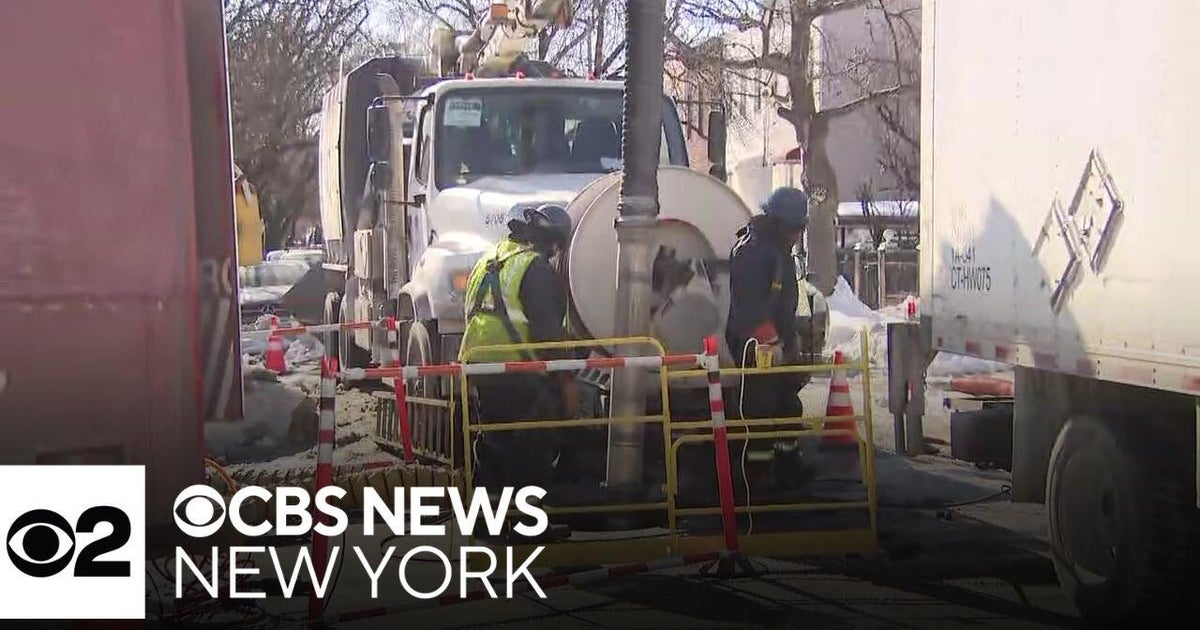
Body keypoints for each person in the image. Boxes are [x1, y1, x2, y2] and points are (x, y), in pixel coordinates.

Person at [459, 204, 578, 489]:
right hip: (518, 368)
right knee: (532, 444)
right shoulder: (534, 267)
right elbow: (548, 333)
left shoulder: (490, 258)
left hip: (478, 363)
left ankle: (489, 520)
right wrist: (566, 381)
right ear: (552, 242)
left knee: (494, 441)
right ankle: (528, 524)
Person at [726, 186, 810, 422]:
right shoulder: (753, 252)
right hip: (755, 345)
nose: (799, 235)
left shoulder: (778, 251)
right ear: (783, 225)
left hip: (775, 342)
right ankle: (756, 458)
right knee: (760, 409)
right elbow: (749, 305)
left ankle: (786, 455)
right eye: (797, 228)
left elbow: (783, 300)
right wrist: (770, 341)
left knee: (787, 406)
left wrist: (790, 337)